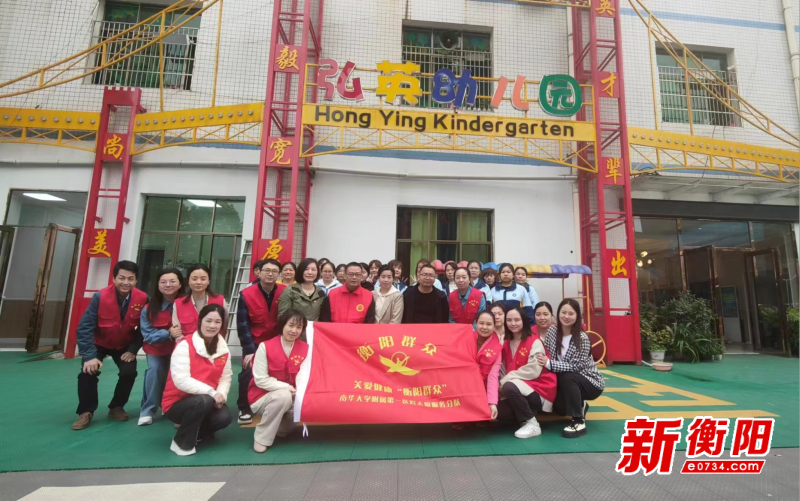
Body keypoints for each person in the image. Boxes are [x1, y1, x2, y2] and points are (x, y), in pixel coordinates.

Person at [72, 261, 147, 430]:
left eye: (130, 279)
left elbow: (144, 328)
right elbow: (85, 327)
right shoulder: (100, 297)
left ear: (136, 280)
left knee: (129, 372)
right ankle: (86, 412)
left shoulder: (143, 298)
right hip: (99, 343)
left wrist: (133, 350)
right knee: (88, 372)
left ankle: (116, 407)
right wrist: (89, 356)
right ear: (114, 278)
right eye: (121, 278)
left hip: (124, 344)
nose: (126, 282)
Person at [161, 304, 232, 456]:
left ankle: (196, 433)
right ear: (200, 321)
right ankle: (180, 443)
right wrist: (212, 393)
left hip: (208, 399)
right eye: (208, 321)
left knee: (224, 417)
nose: (212, 326)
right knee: (202, 400)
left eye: (217, 322)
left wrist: (221, 395)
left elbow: (225, 377)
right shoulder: (184, 345)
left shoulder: (223, 348)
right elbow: (181, 380)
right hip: (177, 403)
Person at [539, 299, 605, 438]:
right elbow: (547, 352)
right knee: (560, 409)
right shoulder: (552, 331)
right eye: (563, 312)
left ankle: (578, 421)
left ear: (577, 316)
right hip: (564, 380)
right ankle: (581, 405)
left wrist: (549, 364)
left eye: (571, 313)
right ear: (558, 314)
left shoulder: (582, 338)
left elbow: (576, 367)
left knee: (568, 375)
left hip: (589, 382)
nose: (566, 316)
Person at [249, 309, 310, 453]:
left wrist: (299, 391)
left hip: (292, 395)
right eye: (291, 325)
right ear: (282, 325)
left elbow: (304, 374)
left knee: (302, 403)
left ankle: (281, 428)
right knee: (283, 396)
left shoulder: (306, 348)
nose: (294, 330)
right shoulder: (265, 347)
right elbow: (261, 380)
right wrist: (286, 387)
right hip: (263, 397)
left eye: (299, 327)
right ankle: (262, 438)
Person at [236, 259, 286, 424]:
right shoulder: (246, 294)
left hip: (277, 342)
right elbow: (242, 325)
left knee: (279, 373)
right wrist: (249, 350)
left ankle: (275, 406)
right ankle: (244, 407)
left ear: (279, 274)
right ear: (259, 272)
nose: (270, 274)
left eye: (274, 271)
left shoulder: (285, 292)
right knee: (248, 372)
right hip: (255, 342)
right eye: (267, 270)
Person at [497, 307, 557, 439]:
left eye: (517, 320)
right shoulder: (505, 342)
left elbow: (533, 371)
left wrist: (505, 380)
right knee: (500, 413)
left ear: (524, 321)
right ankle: (527, 413)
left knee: (509, 386)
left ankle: (532, 424)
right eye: (509, 320)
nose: (513, 323)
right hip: (517, 390)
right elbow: (501, 368)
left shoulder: (535, 341)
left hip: (539, 390)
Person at [139, 268, 185, 426]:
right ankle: (148, 410)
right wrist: (168, 333)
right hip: (156, 349)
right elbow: (148, 335)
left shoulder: (186, 304)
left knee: (180, 374)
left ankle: (174, 407)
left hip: (181, 349)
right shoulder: (148, 308)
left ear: (180, 284)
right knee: (155, 370)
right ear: (158, 285)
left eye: (172, 281)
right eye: (163, 282)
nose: (168, 285)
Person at [173, 264, 227, 340]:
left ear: (208, 281)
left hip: (214, 345)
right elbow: (177, 333)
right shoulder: (178, 303)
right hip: (187, 345)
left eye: (203, 279)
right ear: (188, 281)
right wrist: (188, 345)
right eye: (194, 279)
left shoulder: (220, 301)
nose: (198, 282)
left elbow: (225, 328)